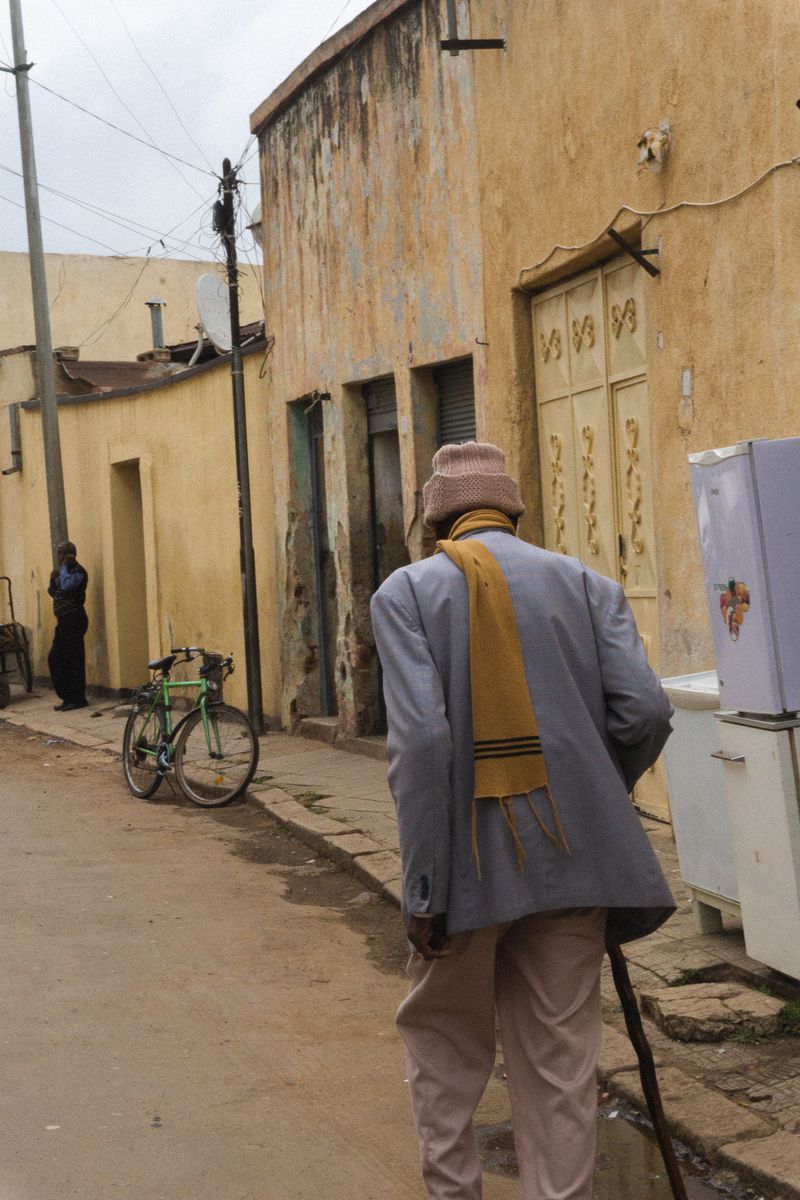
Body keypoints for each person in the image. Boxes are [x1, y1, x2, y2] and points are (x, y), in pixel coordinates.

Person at [370, 441, 675, 1200]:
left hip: (463, 868)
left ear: (436, 519)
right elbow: (645, 711)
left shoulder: (408, 594)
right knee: (560, 1066)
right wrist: (593, 791)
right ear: (514, 510)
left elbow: (424, 745)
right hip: (576, 864)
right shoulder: (587, 584)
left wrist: (424, 887)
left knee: (446, 1050)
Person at [47, 540, 89, 712]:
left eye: (65, 553)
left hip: (74, 619)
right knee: (56, 658)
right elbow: (55, 592)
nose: (61, 557)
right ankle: (67, 697)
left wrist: (63, 569)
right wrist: (52, 581)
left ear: (73, 554)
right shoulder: (62, 573)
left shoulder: (78, 571)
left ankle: (78, 698)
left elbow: (67, 585)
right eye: (60, 553)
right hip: (63, 621)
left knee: (74, 660)